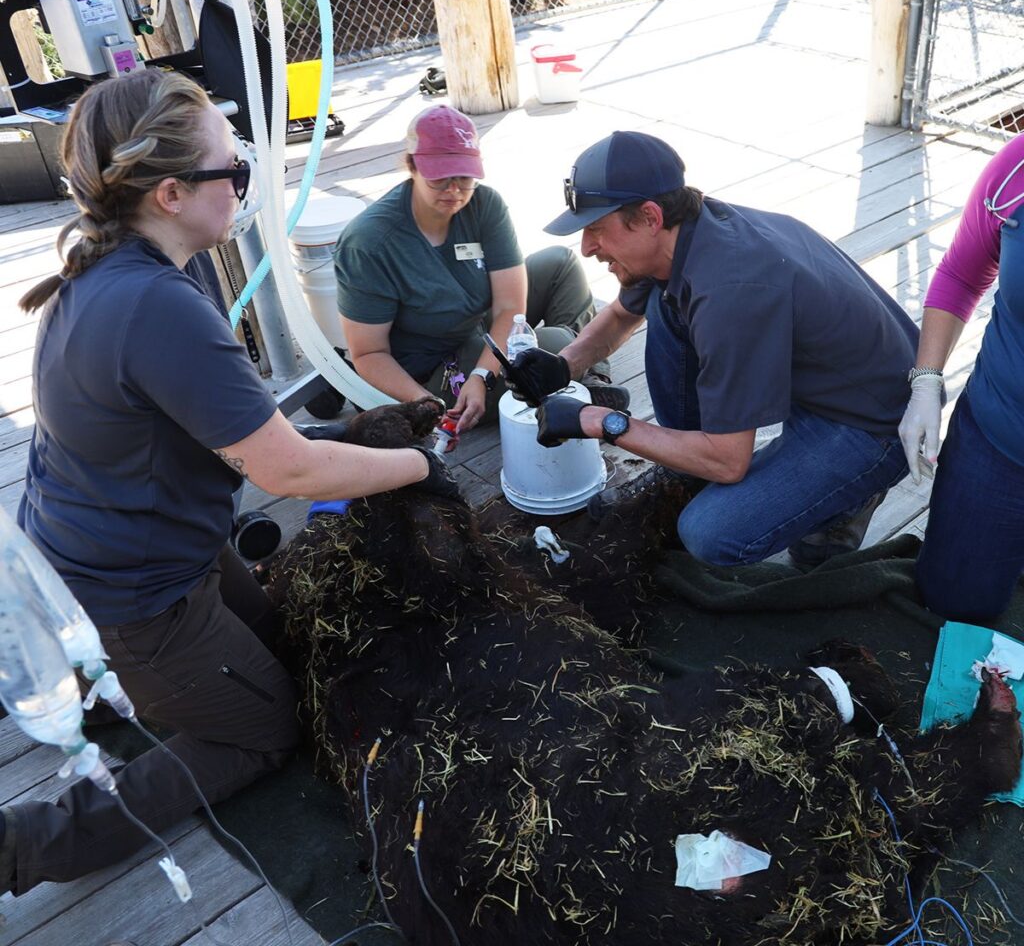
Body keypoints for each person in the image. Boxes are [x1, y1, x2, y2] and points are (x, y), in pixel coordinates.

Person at [4, 69, 458, 896]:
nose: (245, 187)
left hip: (114, 556)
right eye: (233, 172)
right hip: (134, 595)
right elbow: (287, 469)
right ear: (172, 193)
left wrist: (354, 432)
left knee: (281, 635)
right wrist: (419, 468)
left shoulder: (103, 276)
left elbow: (233, 433)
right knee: (264, 730)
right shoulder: (159, 307)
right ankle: (25, 846)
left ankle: (108, 684)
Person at [506, 130, 919, 567]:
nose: (587, 248)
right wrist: (562, 366)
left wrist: (601, 421)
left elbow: (728, 463)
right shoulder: (682, 231)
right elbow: (623, 315)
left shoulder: (730, 292)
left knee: (711, 533)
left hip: (873, 423)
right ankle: (690, 461)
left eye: (596, 230)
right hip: (830, 378)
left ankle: (843, 506)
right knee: (662, 306)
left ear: (648, 216)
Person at [333, 105, 616, 437]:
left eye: (464, 177)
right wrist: (425, 404)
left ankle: (591, 377)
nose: (454, 190)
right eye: (440, 177)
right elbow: (369, 352)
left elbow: (511, 307)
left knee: (560, 264)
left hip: (476, 325)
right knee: (557, 343)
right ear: (412, 166)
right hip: (430, 368)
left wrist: (483, 374)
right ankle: (577, 376)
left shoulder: (484, 204)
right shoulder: (369, 244)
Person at [899, 132, 1024, 619]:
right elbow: (961, 274)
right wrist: (926, 382)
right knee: (949, 603)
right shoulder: (1016, 168)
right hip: (1002, 435)